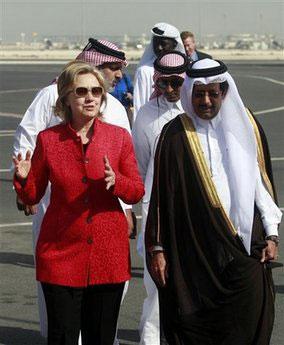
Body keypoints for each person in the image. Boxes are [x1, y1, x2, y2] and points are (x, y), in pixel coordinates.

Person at [145, 58, 282, 345]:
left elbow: (261, 186)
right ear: (189, 94)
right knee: (197, 324)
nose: (205, 101)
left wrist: (272, 234)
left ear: (224, 93)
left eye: (212, 94)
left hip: (245, 247)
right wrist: (157, 248)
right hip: (195, 250)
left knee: (250, 320)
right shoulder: (174, 135)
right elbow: (160, 196)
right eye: (198, 94)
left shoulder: (247, 126)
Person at [13, 61, 144, 345]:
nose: (90, 98)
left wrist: (117, 182)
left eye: (96, 91)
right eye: (81, 91)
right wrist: (23, 179)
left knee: (101, 337)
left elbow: (136, 191)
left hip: (107, 255)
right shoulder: (49, 140)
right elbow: (31, 196)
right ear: (66, 99)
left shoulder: (118, 137)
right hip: (60, 254)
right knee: (62, 336)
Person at [132, 51, 188, 345]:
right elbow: (141, 169)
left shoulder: (200, 109)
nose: (170, 90)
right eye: (164, 83)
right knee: (156, 287)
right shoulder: (145, 115)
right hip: (158, 215)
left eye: (177, 83)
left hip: (194, 215)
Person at [133, 22, 185, 120]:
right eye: (156, 44)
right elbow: (139, 105)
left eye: (163, 44)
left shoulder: (184, 69)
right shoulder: (145, 71)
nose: (159, 47)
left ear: (174, 44)